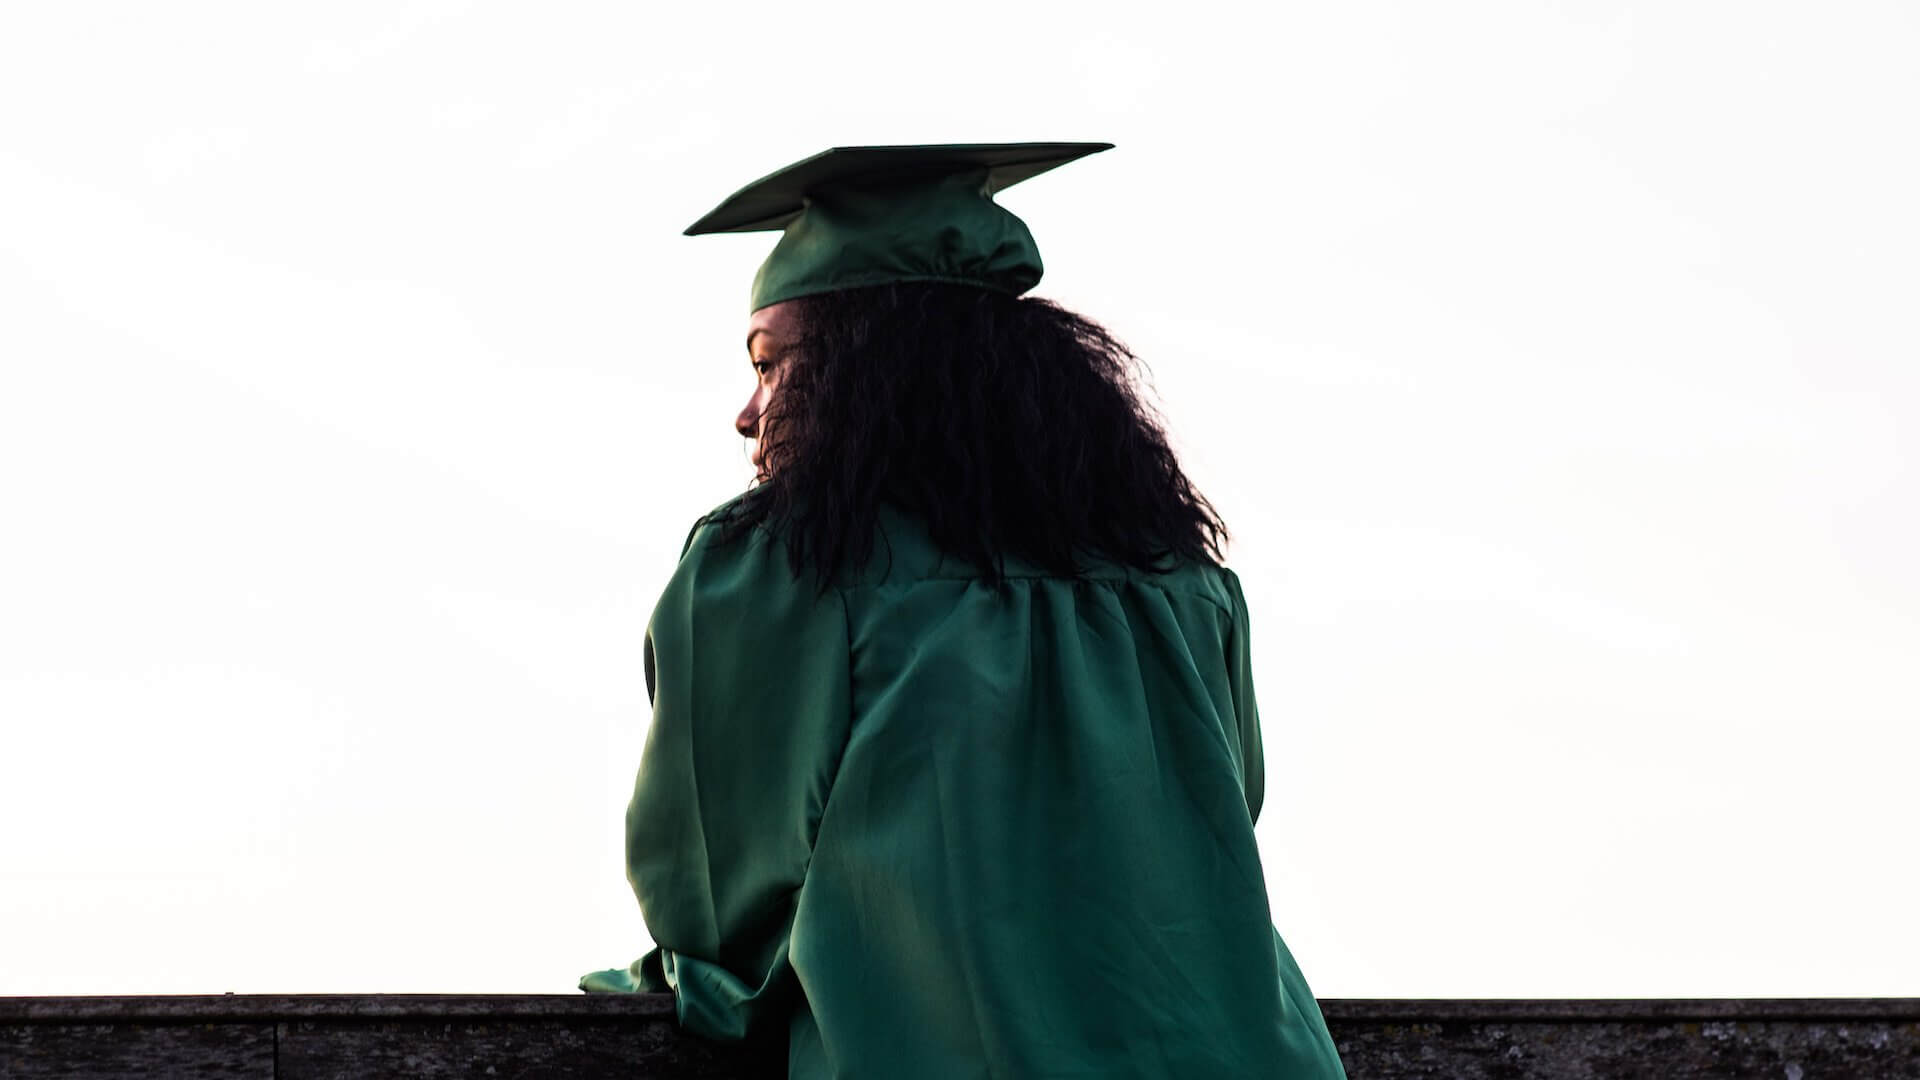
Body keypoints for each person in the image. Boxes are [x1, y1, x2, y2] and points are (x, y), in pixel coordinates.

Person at [581, 143, 1348, 1079]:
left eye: (772, 364)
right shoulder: (1180, 576)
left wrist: (682, 982)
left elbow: (717, 909)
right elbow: (1219, 828)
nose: (748, 412)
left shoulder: (784, 566)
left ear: (866, 377)